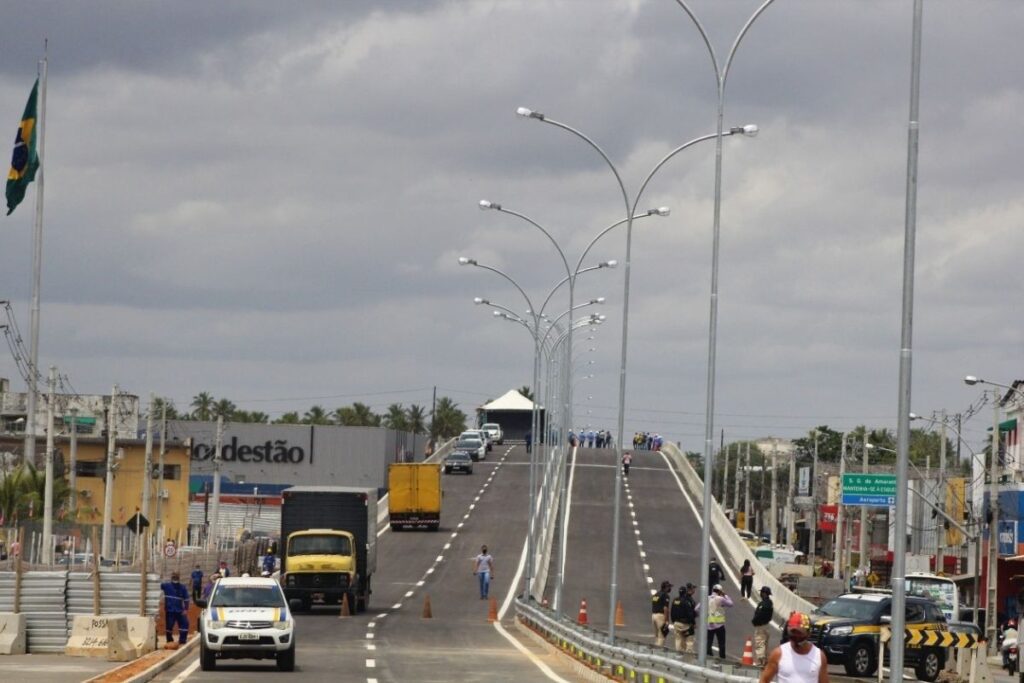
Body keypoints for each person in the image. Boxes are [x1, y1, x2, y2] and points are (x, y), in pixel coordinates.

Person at [759, 611, 828, 683]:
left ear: (808, 633)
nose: (796, 636)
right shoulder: (778, 654)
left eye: (800, 633)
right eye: (793, 632)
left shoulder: (819, 656)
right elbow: (764, 679)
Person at [160, 572, 190, 646]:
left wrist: (186, 609)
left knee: (185, 624)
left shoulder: (182, 587)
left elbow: (186, 599)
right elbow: (156, 584)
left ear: (179, 577)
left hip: (180, 611)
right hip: (170, 611)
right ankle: (170, 641)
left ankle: (182, 640)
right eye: (174, 576)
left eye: (176, 576)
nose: (175, 578)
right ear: (172, 577)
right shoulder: (166, 586)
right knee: (169, 626)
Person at [706, 583, 733, 660]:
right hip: (719, 624)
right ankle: (722, 658)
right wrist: (725, 595)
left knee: (709, 642)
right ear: (720, 591)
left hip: (709, 624)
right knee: (721, 643)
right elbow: (731, 604)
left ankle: (708, 656)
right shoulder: (720, 599)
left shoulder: (707, 598)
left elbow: (697, 608)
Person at [671, 583, 697, 654]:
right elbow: (690, 614)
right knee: (689, 641)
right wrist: (693, 623)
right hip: (685, 625)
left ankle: (678, 656)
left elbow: (672, 611)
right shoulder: (686, 601)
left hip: (676, 623)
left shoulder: (675, 600)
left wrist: (673, 622)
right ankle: (688, 658)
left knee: (678, 640)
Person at [752, 586, 775, 666]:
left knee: (760, 643)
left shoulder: (764, 604)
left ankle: (761, 661)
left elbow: (760, 614)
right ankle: (765, 660)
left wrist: (754, 621)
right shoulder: (770, 603)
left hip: (761, 626)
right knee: (765, 643)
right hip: (766, 625)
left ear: (764, 593)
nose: (760, 594)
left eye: (761, 592)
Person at [651, 580, 672, 647]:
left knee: (656, 636)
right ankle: (659, 653)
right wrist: (667, 621)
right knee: (661, 636)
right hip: (660, 616)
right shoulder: (665, 595)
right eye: (669, 587)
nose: (670, 589)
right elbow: (665, 608)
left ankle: (655, 651)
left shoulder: (656, 595)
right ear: (666, 587)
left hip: (653, 615)